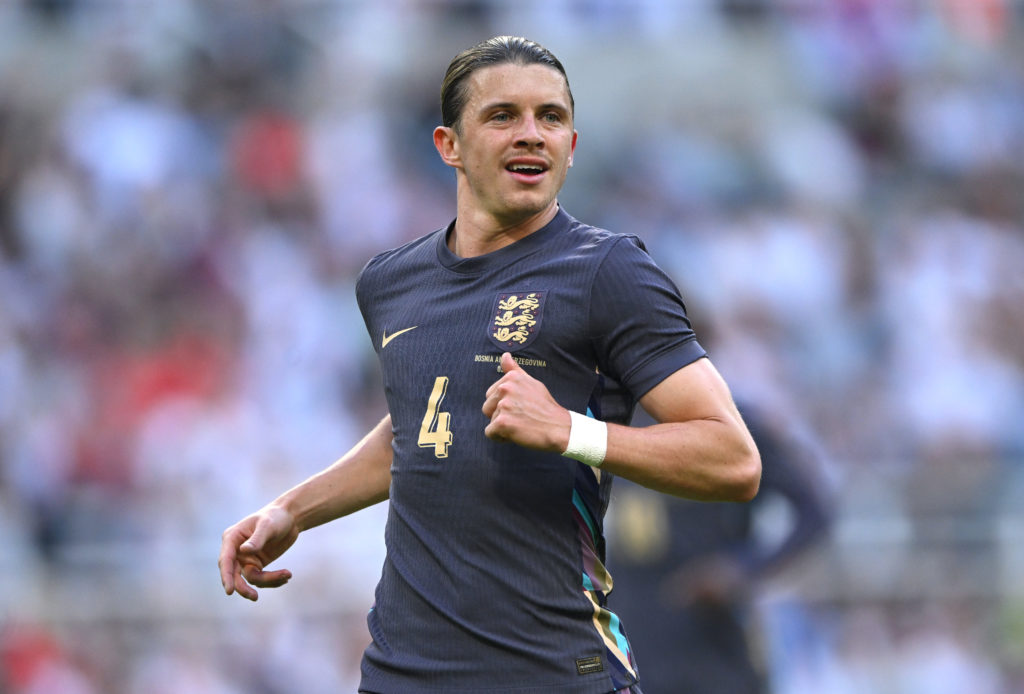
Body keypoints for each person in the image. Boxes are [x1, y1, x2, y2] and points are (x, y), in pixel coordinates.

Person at [218, 35, 761, 694]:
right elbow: (421, 424)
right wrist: (292, 511)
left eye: (550, 117)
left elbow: (733, 459)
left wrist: (569, 431)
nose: (531, 134)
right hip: (402, 674)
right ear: (448, 145)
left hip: (554, 672)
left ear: (572, 145)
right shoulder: (391, 282)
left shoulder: (608, 272)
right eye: (503, 116)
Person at [607, 401, 831, 693]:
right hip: (638, 642)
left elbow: (813, 511)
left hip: (715, 641)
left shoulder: (730, 422)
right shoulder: (608, 420)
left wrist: (741, 569)